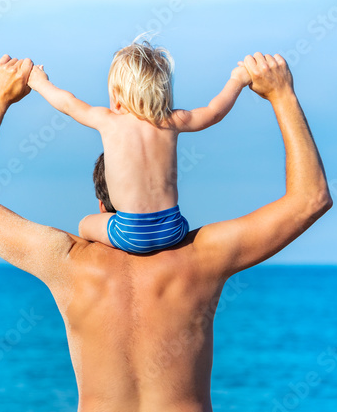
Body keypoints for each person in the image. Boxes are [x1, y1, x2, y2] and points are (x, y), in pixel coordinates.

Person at [0, 53, 331, 412]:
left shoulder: (68, 263)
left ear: (101, 201)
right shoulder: (204, 259)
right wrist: (281, 94)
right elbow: (310, 200)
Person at [27, 40, 253, 254]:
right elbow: (214, 112)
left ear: (116, 97)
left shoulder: (107, 120)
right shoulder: (172, 121)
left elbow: (67, 103)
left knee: (85, 224)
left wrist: (39, 82)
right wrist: (238, 79)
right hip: (174, 227)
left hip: (128, 231)